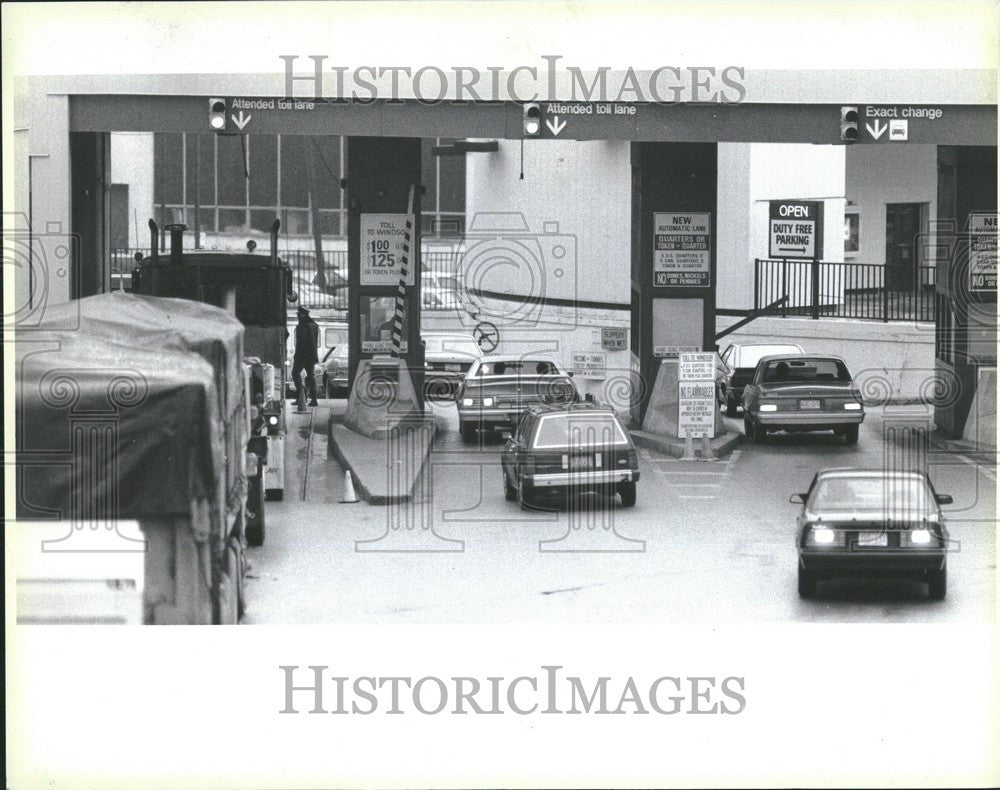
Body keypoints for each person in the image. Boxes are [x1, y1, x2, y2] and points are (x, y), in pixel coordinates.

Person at [292, 305, 319, 406]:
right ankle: (314, 399)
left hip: (302, 356)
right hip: (312, 356)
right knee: (311, 376)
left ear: (303, 315)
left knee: (295, 373)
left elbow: (300, 344)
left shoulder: (302, 326)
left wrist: (297, 356)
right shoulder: (314, 325)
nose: (298, 316)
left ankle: (301, 395)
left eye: (299, 314)